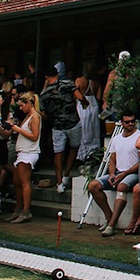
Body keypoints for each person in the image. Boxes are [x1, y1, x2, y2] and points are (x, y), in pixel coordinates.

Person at [88, 111, 140, 235]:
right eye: (127, 122)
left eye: (132, 121)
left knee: (121, 187)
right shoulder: (117, 139)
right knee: (93, 185)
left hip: (133, 173)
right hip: (118, 172)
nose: (131, 124)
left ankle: (112, 224)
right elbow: (112, 160)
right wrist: (112, 174)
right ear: (122, 123)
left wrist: (125, 173)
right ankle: (109, 216)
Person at [40, 61, 82, 193]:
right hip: (73, 121)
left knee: (58, 153)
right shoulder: (68, 84)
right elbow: (79, 97)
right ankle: (66, 175)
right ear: (57, 74)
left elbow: (42, 113)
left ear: (46, 77)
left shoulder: (44, 94)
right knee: (74, 148)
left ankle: (59, 182)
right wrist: (85, 103)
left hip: (57, 125)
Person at [6, 92, 41, 223]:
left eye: (22, 105)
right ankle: (18, 208)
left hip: (29, 152)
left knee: (24, 182)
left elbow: (35, 136)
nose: (20, 108)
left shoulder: (35, 117)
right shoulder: (27, 116)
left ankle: (26, 211)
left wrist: (18, 130)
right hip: (22, 152)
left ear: (29, 103)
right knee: (16, 181)